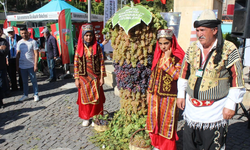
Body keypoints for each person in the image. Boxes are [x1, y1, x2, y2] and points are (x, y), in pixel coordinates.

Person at [177, 10, 246, 150]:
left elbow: (236, 78)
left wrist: (231, 104)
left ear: (214, 30)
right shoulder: (192, 48)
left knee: (212, 146)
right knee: (189, 146)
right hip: (192, 109)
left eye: (202, 30)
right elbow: (184, 72)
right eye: (197, 30)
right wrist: (180, 95)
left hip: (215, 111)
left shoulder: (229, 49)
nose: (199, 34)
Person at [146, 29, 185, 150]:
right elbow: (153, 75)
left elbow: (177, 76)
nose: (163, 46)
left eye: (166, 43)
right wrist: (149, 91)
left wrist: (168, 60)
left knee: (166, 122)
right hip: (155, 94)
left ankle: (166, 147)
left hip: (169, 96)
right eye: (161, 43)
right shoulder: (158, 55)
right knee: (155, 120)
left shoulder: (178, 57)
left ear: (172, 42)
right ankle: (157, 144)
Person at [74, 24, 106, 126]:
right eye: (86, 35)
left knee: (96, 98)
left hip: (95, 77)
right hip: (83, 77)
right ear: (83, 36)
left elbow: (101, 62)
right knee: (85, 98)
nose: (88, 37)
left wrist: (102, 77)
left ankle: (96, 116)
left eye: (90, 35)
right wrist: (76, 78)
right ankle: (86, 117)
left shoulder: (97, 47)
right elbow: (76, 64)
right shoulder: (79, 48)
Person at [16, 27, 39, 102]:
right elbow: (18, 54)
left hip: (31, 65)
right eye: (22, 33)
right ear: (20, 34)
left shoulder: (33, 42)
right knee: (24, 81)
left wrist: (35, 64)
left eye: (25, 33)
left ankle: (36, 94)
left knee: (33, 81)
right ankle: (25, 94)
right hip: (22, 65)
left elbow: (36, 53)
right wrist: (17, 65)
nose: (24, 34)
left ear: (28, 33)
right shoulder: (19, 42)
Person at [6, 26, 23, 91]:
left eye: (11, 32)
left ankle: (22, 86)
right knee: (12, 74)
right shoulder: (7, 40)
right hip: (10, 58)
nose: (10, 33)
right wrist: (6, 59)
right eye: (9, 32)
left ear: (14, 31)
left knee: (20, 73)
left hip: (19, 58)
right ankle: (14, 87)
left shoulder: (19, 38)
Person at [0, 36, 9, 108]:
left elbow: (4, 51)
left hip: (1, 65)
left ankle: (1, 101)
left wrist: (2, 49)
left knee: (1, 83)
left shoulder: (3, 41)